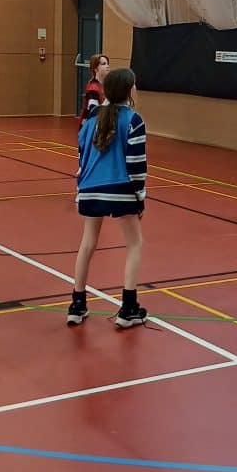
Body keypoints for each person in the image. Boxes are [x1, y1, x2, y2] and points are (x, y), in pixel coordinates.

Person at [67, 67, 147, 329]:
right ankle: (129, 307)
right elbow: (136, 164)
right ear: (129, 90)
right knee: (134, 244)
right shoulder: (134, 120)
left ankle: (77, 304)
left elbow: (82, 155)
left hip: (89, 187)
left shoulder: (91, 120)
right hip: (120, 188)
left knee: (87, 244)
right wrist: (140, 196)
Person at [77, 53, 110, 126]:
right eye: (103, 64)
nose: (107, 66)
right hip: (91, 125)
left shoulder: (106, 86)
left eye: (108, 64)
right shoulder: (93, 88)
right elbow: (94, 111)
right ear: (96, 69)